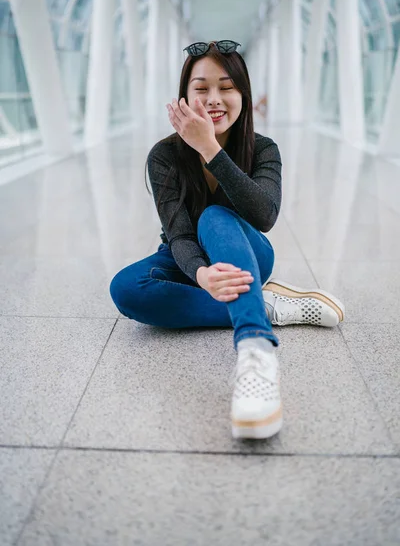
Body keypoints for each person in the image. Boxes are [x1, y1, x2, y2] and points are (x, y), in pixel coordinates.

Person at [109, 40, 345, 440]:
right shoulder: (163, 156)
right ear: (184, 97)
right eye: (201, 88)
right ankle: (264, 304)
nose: (214, 99)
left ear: (243, 95)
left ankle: (255, 350)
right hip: (189, 258)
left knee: (216, 216)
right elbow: (179, 233)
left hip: (247, 251)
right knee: (127, 289)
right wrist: (200, 273)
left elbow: (264, 216)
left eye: (226, 87)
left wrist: (209, 147)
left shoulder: (264, 149)